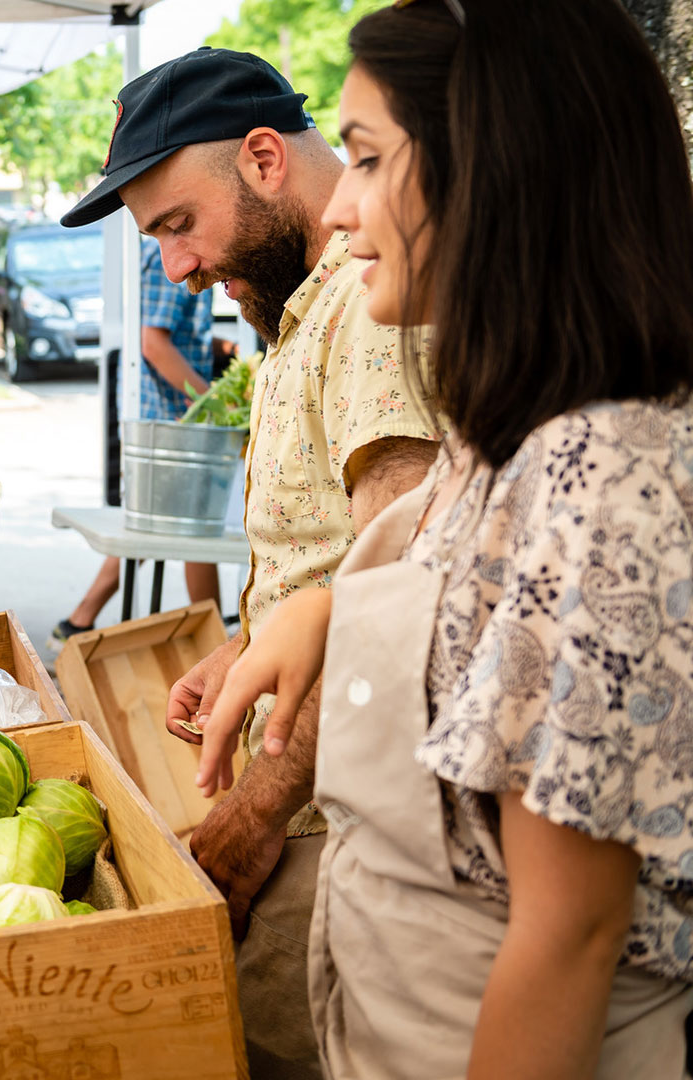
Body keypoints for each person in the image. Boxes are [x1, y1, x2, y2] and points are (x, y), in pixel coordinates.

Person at [195, 2, 693, 1074]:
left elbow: (568, 933)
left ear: (497, 173)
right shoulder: (510, 436)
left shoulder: (598, 478)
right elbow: (458, 573)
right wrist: (321, 612)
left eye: (369, 159)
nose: (340, 212)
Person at [59, 48, 443, 1080]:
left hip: (336, 823)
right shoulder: (298, 314)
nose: (175, 267)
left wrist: (258, 811)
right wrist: (243, 645)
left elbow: (395, 601)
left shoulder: (369, 317)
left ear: (266, 158)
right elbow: (331, 564)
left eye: (179, 226)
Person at [57, 236, 224, 640]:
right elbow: (153, 343)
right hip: (167, 418)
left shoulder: (180, 255)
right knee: (190, 532)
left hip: (173, 414)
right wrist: (211, 400)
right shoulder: (170, 259)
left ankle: (78, 621)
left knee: (158, 530)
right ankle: (216, 638)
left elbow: (172, 335)